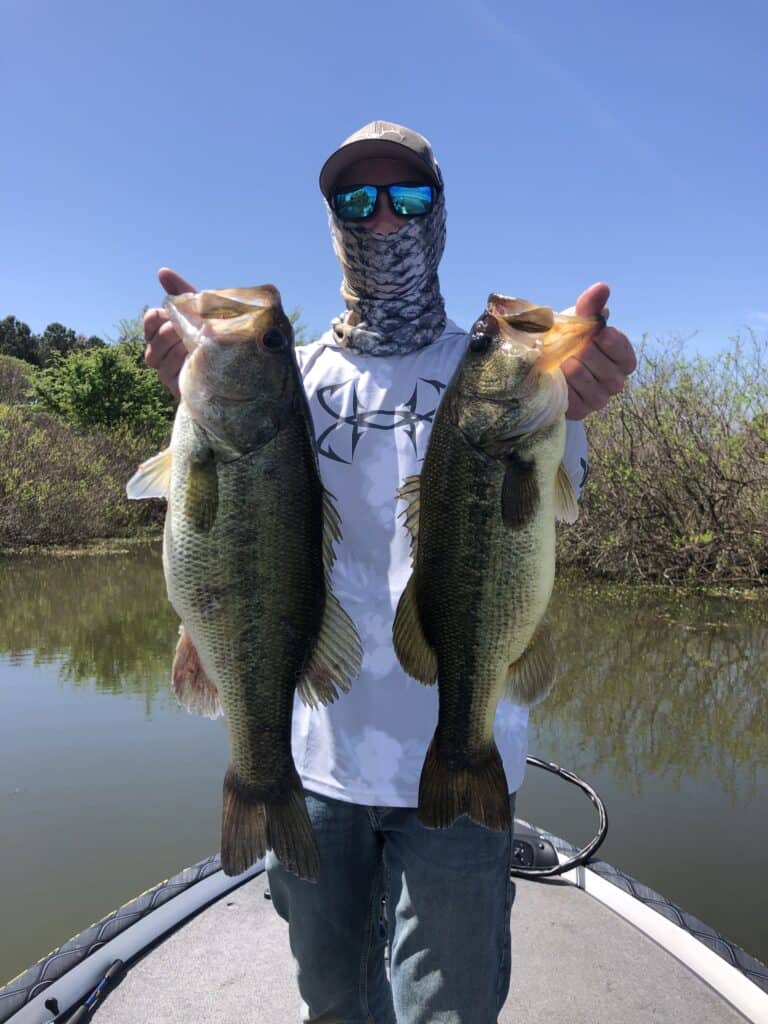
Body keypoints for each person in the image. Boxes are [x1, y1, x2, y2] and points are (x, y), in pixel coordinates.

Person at [144, 121, 636, 1024]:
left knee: (446, 1012)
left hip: (460, 753)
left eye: (407, 199)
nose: (381, 221)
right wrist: (195, 377)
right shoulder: (282, 375)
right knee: (331, 1003)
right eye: (355, 200)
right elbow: (218, 539)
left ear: (438, 213)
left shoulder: (491, 370)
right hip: (311, 762)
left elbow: (559, 489)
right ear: (330, 219)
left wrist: (580, 397)